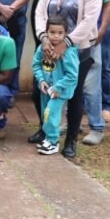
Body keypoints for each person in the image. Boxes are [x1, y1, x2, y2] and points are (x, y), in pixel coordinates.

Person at [31, 0, 102, 158]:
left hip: (77, 50)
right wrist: (44, 39)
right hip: (48, 49)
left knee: (73, 95)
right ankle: (47, 131)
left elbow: (90, 19)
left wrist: (66, 43)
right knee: (40, 92)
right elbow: (40, 13)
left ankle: (70, 140)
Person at [69, 0, 110, 146]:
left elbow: (108, 5)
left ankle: (96, 126)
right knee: (68, 81)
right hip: (67, 39)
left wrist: (102, 30)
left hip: (89, 38)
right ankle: (72, 123)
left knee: (90, 84)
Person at [32, 16, 79, 155]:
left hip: (59, 91)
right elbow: (36, 65)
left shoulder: (69, 52)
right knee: (44, 114)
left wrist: (58, 87)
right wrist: (41, 80)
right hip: (46, 89)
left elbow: (72, 75)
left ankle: (53, 142)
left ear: (66, 34)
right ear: (46, 33)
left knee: (51, 113)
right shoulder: (42, 48)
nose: (56, 36)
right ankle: (47, 137)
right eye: (52, 32)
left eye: (60, 33)